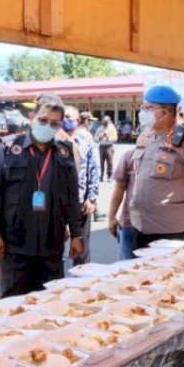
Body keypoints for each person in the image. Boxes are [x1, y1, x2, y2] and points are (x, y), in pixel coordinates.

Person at [0, 93, 84, 299]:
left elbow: (72, 198)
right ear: (32, 116)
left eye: (54, 123)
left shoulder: (65, 153)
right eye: (43, 120)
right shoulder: (9, 148)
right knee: (12, 304)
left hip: (52, 245)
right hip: (15, 245)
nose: (48, 126)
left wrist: (76, 234)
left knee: (49, 303)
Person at [125, 85, 184, 249]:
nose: (142, 112)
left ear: (165, 113)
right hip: (143, 228)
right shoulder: (146, 135)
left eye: (148, 108)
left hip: (176, 231)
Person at [61, 106, 100, 265]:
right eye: (63, 116)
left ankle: (82, 283)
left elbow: (94, 167)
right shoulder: (53, 139)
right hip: (57, 202)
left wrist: (92, 198)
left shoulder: (86, 138)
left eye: (69, 117)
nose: (66, 120)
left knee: (81, 248)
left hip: (79, 200)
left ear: (77, 121)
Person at [94, 115, 117, 182]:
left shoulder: (112, 128)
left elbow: (115, 138)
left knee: (110, 163)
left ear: (109, 121)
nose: (105, 122)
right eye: (104, 121)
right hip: (101, 147)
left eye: (106, 121)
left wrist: (108, 138)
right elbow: (95, 138)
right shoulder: (100, 128)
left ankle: (109, 176)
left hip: (109, 146)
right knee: (101, 162)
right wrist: (100, 137)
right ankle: (101, 176)